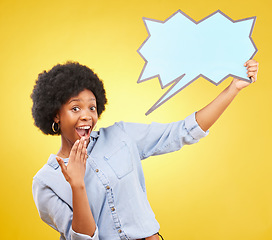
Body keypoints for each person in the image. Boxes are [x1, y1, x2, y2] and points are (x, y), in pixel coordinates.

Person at [31, 60, 259, 240]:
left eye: (92, 107)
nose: (86, 115)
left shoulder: (122, 136)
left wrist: (233, 89)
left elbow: (182, 132)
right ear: (55, 114)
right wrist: (77, 184)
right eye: (75, 107)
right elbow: (83, 238)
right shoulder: (45, 182)